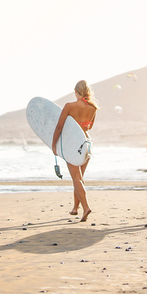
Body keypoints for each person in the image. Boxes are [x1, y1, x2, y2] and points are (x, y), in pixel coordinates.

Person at [52, 80, 99, 222]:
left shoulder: (69, 106)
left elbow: (59, 127)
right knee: (79, 178)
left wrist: (54, 145)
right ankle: (75, 208)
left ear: (76, 91)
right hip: (86, 143)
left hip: (73, 144)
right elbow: (89, 127)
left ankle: (86, 208)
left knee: (76, 178)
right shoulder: (93, 107)